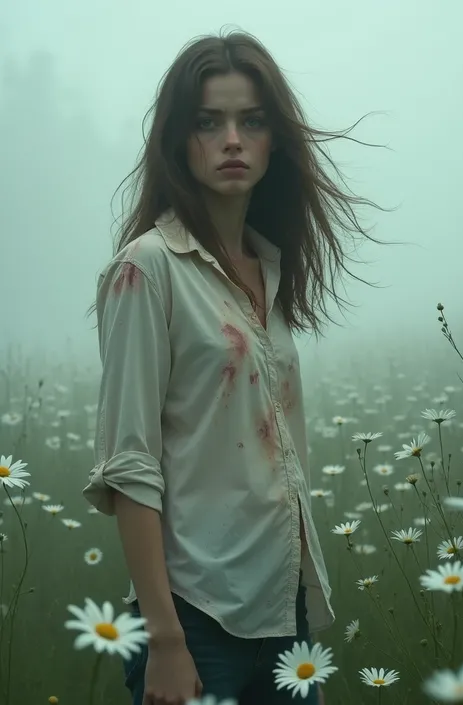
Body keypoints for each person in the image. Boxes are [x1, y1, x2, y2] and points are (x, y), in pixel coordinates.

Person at [83, 28, 385, 705]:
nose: (231, 139)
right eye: (208, 121)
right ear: (176, 139)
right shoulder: (147, 269)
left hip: (284, 609)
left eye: (251, 120)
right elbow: (128, 463)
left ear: (275, 139)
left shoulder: (267, 266)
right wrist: (163, 639)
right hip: (194, 618)